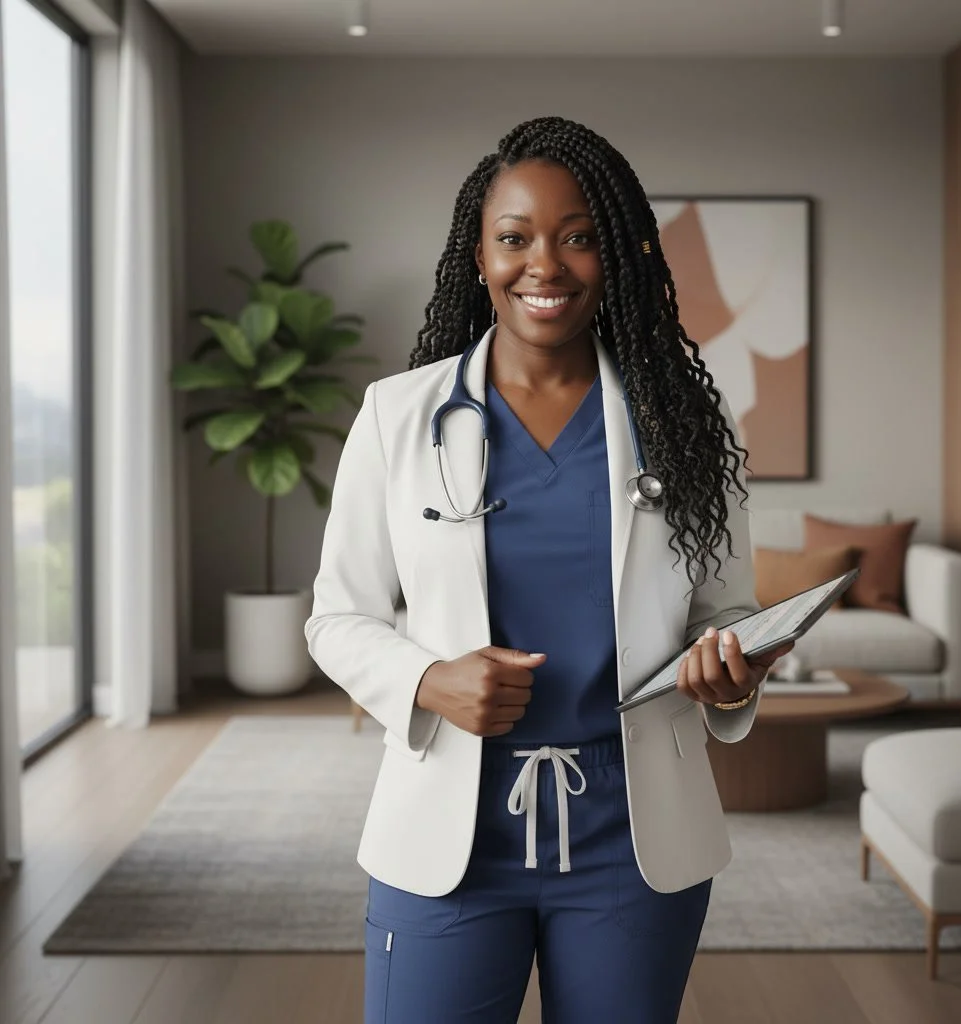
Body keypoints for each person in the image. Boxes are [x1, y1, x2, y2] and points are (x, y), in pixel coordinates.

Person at [305, 115, 793, 1024]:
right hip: (448, 844)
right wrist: (428, 679)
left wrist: (729, 671)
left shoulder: (684, 423)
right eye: (515, 238)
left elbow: (722, 613)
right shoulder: (397, 416)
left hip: (631, 845)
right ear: (478, 254)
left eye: (579, 237)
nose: (546, 264)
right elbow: (336, 617)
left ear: (619, 254)